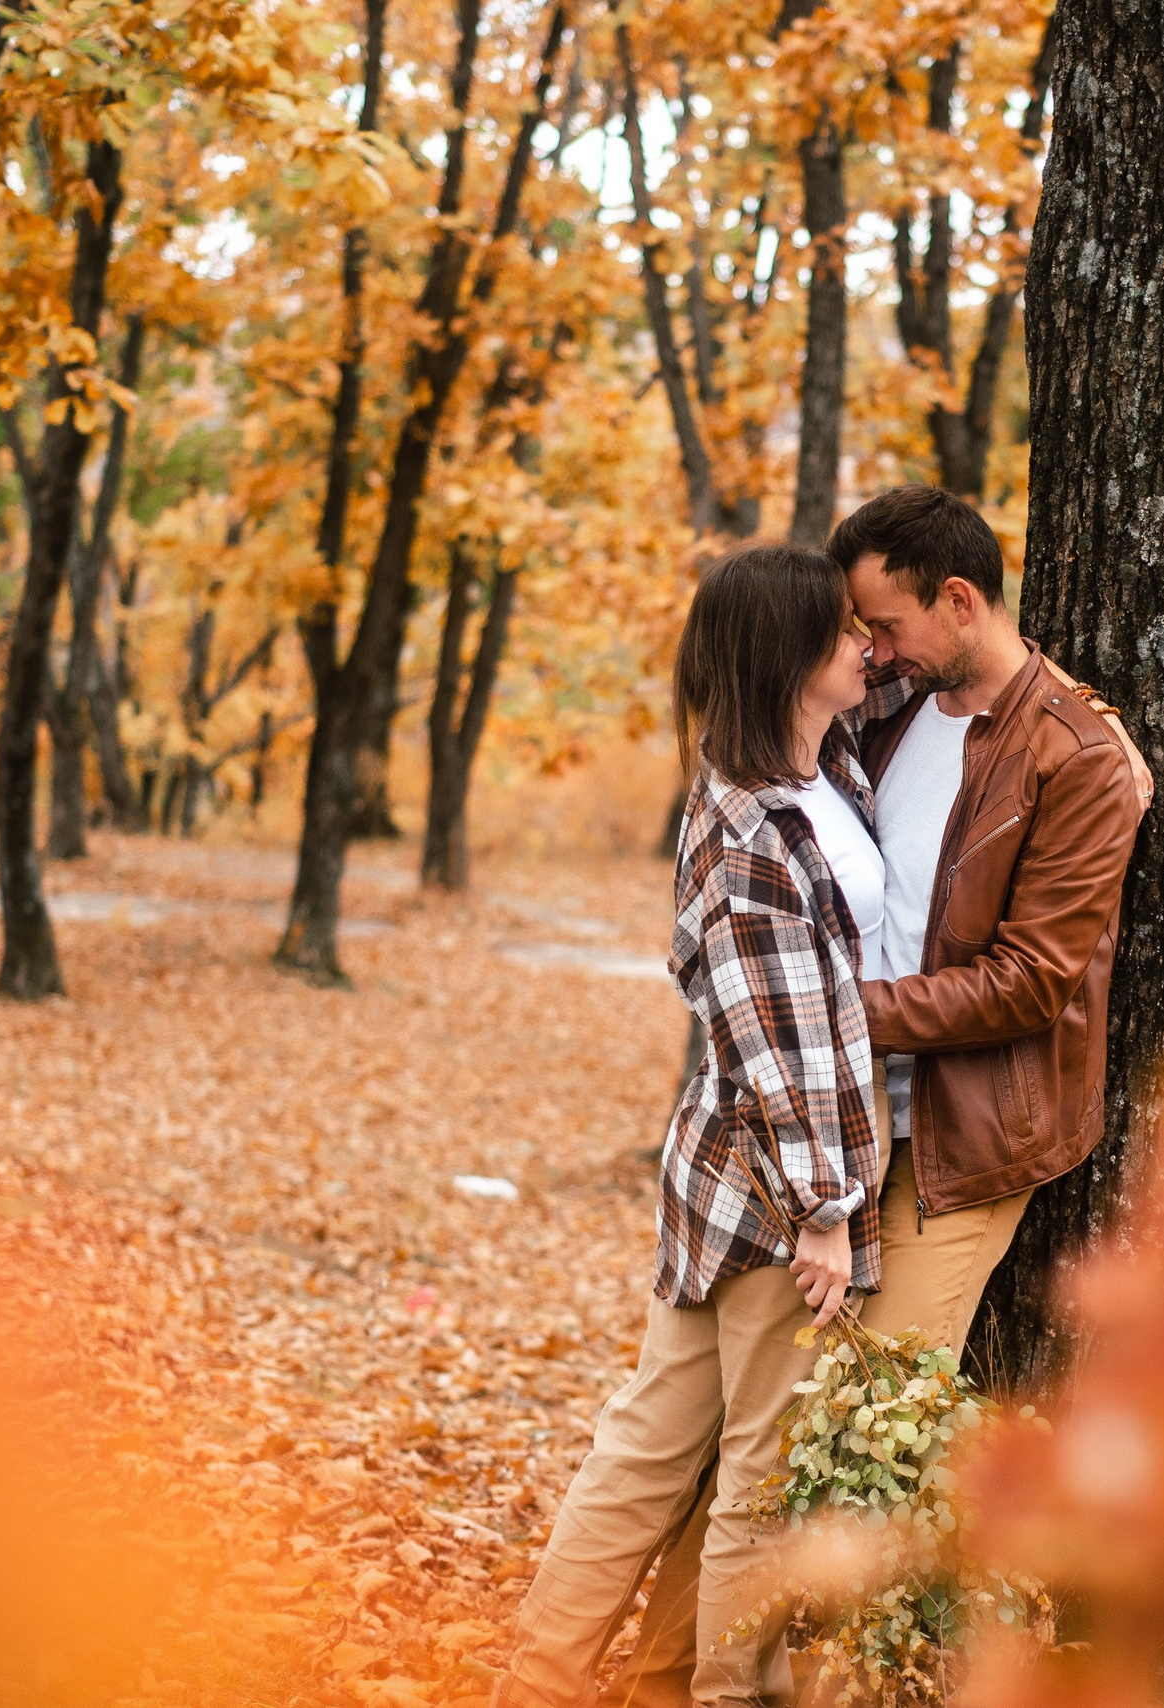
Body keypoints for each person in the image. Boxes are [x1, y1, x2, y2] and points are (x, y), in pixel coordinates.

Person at [596, 486, 1151, 1707]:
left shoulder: (1068, 755)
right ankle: (673, 1678)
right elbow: (770, 715)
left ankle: (825, 1682)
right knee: (765, 1442)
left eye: (883, 624)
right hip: (837, 1133)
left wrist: (829, 1018)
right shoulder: (891, 710)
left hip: (958, 1141)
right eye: (854, 630)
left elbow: (1034, 980)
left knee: (854, 1439)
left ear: (956, 601)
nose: (869, 648)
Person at [498, 543, 889, 1708]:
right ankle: (723, 1695)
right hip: (771, 1191)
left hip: (728, 1173)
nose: (865, 643)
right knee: (752, 1476)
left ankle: (539, 1681)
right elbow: (783, 1044)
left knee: (651, 1445)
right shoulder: (749, 830)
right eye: (841, 629)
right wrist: (826, 1211)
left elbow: (948, 669)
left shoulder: (821, 767)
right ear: (786, 656)